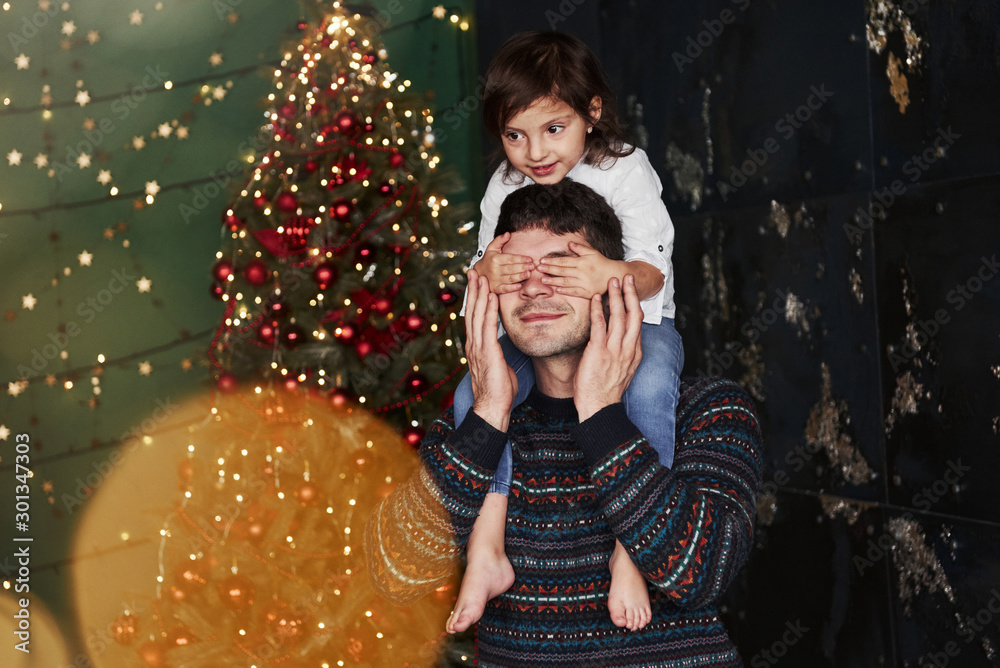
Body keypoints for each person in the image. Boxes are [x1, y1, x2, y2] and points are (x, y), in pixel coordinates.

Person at [366, 180, 761, 667]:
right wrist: (489, 413)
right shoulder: (471, 427)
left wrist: (600, 413)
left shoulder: (706, 410)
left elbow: (702, 572)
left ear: (616, 281)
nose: (534, 288)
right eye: (514, 274)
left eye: (560, 268)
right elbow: (397, 574)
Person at [451, 29, 684, 634]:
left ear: (592, 112)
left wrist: (609, 272)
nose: (534, 152)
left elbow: (654, 270)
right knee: (470, 395)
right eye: (514, 135)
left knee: (652, 387)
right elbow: (482, 264)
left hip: (637, 320)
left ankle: (630, 553)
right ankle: (488, 547)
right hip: (542, 338)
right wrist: (486, 270)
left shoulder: (623, 168)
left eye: (553, 128)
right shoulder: (504, 184)